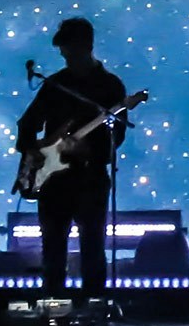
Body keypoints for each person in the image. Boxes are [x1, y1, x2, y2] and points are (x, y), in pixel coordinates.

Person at [17, 17, 130, 295]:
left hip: (90, 178)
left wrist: (90, 150)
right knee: (53, 249)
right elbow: (27, 123)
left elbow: (118, 136)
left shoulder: (110, 86)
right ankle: (53, 308)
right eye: (63, 49)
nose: (65, 54)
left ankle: (93, 308)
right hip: (54, 181)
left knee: (92, 246)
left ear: (86, 45)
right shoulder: (55, 84)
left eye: (69, 48)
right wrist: (33, 151)